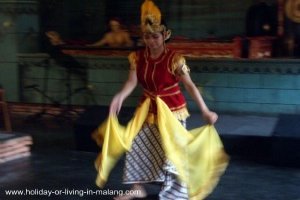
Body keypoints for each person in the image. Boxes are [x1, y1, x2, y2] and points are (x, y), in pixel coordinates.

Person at [93, 1, 228, 199]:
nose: (151, 41)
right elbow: (132, 82)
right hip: (146, 109)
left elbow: (190, 86)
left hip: (172, 110)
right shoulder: (137, 57)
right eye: (147, 36)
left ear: (165, 35)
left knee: (173, 153)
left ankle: (175, 194)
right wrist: (119, 96)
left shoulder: (176, 59)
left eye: (155, 36)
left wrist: (205, 111)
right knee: (136, 146)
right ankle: (137, 188)